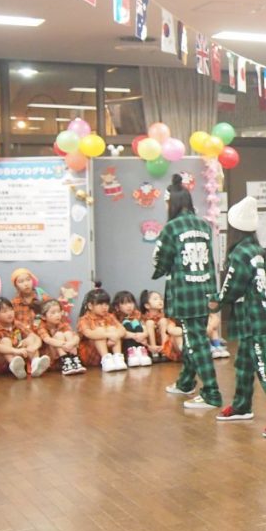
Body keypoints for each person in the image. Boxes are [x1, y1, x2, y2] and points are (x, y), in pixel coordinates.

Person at [211, 196, 266, 438]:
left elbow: (232, 287)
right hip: (263, 313)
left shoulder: (239, 253)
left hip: (255, 318)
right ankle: (241, 406)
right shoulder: (257, 250)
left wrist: (216, 300)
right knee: (244, 363)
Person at [152, 175, 222, 409]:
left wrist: (159, 270)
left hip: (184, 293)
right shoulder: (204, 225)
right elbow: (210, 261)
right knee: (195, 337)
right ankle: (185, 382)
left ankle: (211, 392)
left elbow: (160, 262)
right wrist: (213, 294)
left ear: (172, 203)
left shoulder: (171, 228)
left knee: (196, 341)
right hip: (204, 290)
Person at [0, 296, 50, 379]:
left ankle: (35, 363)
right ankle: (14, 364)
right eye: (4, 311)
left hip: (18, 357)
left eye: (11, 310)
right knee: (5, 341)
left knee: (30, 339)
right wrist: (15, 350)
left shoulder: (17, 323)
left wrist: (34, 347)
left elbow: (35, 337)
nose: (9, 313)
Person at [77, 286, 128, 372]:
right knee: (99, 331)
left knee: (113, 329)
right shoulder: (84, 319)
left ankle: (118, 358)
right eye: (100, 304)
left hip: (110, 348)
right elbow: (88, 333)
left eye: (106, 304)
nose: (105, 307)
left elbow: (122, 330)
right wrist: (108, 335)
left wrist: (114, 336)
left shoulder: (110, 316)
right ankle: (106, 359)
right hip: (91, 353)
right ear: (90, 306)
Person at [37, 299, 85, 375]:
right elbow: (47, 340)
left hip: (67, 349)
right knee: (59, 335)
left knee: (68, 333)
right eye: (53, 313)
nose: (57, 315)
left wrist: (71, 343)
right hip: (52, 358)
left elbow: (76, 337)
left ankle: (74, 359)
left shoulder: (63, 323)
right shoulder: (41, 326)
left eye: (59, 311)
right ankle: (65, 361)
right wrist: (64, 344)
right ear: (43, 317)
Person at [113, 290, 152, 367]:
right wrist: (136, 336)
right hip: (124, 343)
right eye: (125, 303)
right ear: (117, 307)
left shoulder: (137, 314)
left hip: (140, 341)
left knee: (136, 323)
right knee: (127, 324)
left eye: (131, 302)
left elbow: (144, 327)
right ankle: (131, 354)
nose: (129, 306)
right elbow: (120, 332)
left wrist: (144, 334)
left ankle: (141, 352)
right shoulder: (114, 316)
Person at [139, 289, 177, 362]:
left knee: (163, 321)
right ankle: (154, 352)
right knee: (149, 323)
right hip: (149, 344)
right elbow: (143, 331)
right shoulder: (143, 317)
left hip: (164, 340)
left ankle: (165, 350)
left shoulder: (165, 315)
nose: (160, 301)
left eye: (161, 299)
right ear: (147, 305)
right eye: (155, 299)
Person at [10, 267, 50, 336]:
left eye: (28, 280)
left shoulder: (43, 298)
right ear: (16, 286)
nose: (26, 284)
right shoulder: (13, 303)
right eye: (21, 281)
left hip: (44, 336)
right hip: (24, 338)